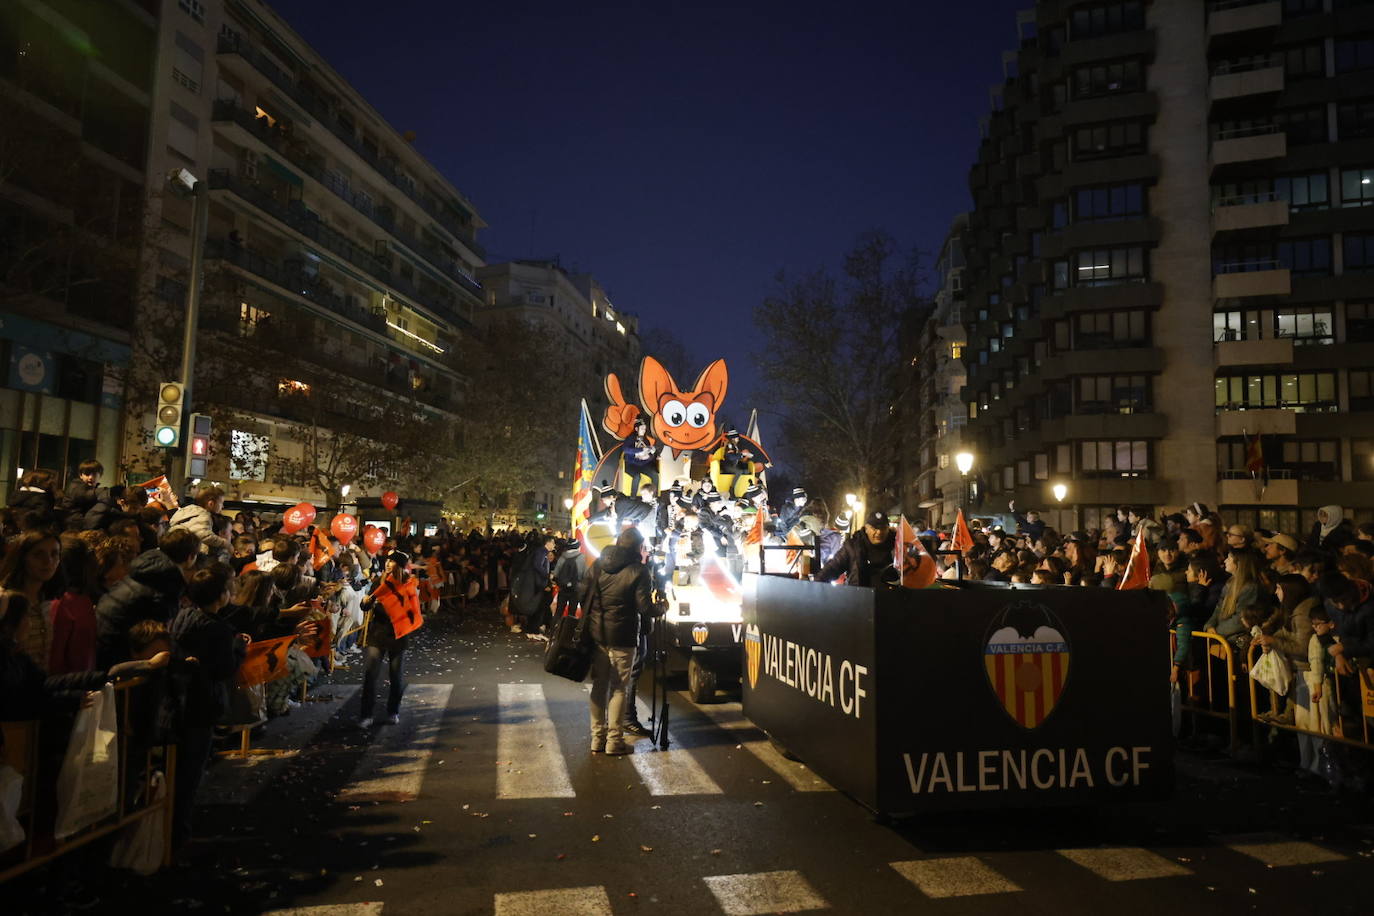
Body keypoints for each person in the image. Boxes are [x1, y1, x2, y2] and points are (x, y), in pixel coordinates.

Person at [169, 563, 247, 853]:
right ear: (221, 596)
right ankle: (179, 838)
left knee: (176, 770)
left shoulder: (181, 618)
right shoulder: (217, 629)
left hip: (176, 701)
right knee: (189, 774)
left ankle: (171, 832)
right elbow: (224, 669)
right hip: (201, 704)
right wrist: (239, 648)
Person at [582, 527, 663, 755]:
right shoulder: (639, 570)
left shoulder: (598, 565)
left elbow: (583, 593)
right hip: (623, 636)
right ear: (638, 547)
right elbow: (645, 607)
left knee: (599, 686)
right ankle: (614, 741)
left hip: (597, 635)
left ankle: (597, 739)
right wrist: (662, 607)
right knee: (619, 689)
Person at [94, 527, 198, 668]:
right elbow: (157, 637)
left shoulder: (147, 566)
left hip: (99, 640)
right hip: (118, 653)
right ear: (191, 556)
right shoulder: (168, 580)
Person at [358, 550, 422, 727]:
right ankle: (366, 714)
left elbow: (412, 610)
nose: (387, 563)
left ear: (400, 566)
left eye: (392, 561)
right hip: (378, 634)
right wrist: (366, 602)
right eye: (387, 560)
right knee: (371, 675)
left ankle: (393, 711)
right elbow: (366, 605)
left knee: (396, 676)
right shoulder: (379, 582)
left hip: (398, 635)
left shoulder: (407, 585)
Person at [817, 512, 897, 587]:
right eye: (874, 528)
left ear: (888, 529)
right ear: (866, 528)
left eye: (883, 528)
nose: (879, 532)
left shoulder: (898, 546)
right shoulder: (852, 547)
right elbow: (833, 567)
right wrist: (816, 585)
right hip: (858, 596)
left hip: (890, 597)